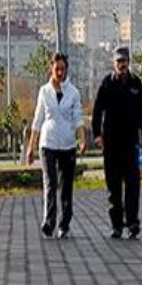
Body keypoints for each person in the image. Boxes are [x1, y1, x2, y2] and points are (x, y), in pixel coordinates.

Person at [91, 45, 142, 239]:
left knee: (133, 186)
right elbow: (97, 110)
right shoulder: (107, 84)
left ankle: (132, 222)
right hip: (112, 144)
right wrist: (97, 134)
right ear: (113, 63)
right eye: (118, 61)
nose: (121, 64)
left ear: (128, 62)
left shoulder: (136, 84)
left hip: (130, 143)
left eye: (124, 61)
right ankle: (117, 224)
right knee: (113, 187)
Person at [27, 52, 85, 239]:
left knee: (66, 186)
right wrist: (31, 147)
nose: (60, 73)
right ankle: (49, 222)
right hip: (48, 143)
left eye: (63, 69)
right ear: (51, 68)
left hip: (68, 144)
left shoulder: (73, 92)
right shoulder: (44, 92)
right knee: (50, 183)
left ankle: (64, 223)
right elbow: (37, 120)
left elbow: (78, 118)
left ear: (67, 70)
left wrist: (82, 139)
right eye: (56, 69)